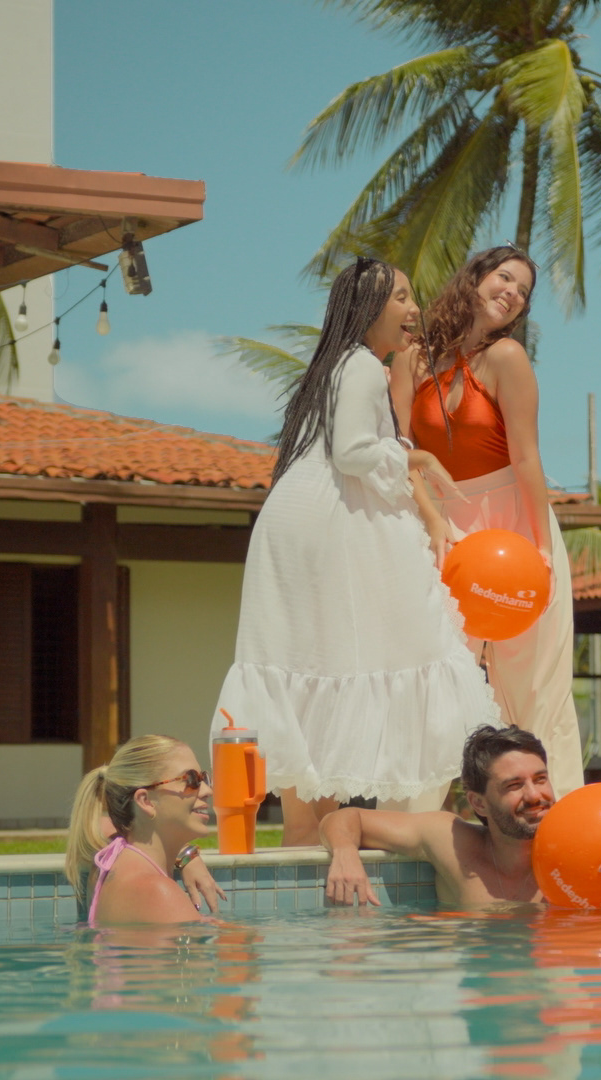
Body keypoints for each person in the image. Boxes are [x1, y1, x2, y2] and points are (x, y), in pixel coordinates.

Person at [212, 257, 499, 845]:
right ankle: (320, 836)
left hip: (295, 523)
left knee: (309, 669)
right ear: (368, 309)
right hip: (327, 524)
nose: (414, 309)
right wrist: (415, 456)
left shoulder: (335, 365)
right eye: (401, 298)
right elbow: (351, 452)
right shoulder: (363, 365)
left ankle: (303, 837)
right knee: (367, 654)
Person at [399, 246, 583, 794]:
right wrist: (432, 520)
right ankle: (412, 821)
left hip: (516, 523)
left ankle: (554, 816)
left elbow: (526, 458)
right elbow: (397, 451)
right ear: (475, 278)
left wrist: (542, 550)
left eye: (523, 290)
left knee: (535, 691)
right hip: (441, 524)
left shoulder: (507, 357)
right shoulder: (412, 359)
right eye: (505, 277)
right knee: (431, 680)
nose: (513, 293)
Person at [319, 726, 601, 909]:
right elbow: (348, 819)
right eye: (514, 785)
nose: (535, 796)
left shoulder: (590, 824)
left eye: (540, 778)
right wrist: (345, 852)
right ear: (479, 802)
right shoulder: (450, 841)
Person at [65, 735, 223, 927]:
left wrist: (185, 854)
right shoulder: (157, 891)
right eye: (190, 780)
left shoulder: (109, 862)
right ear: (145, 801)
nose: (207, 791)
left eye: (203, 778)